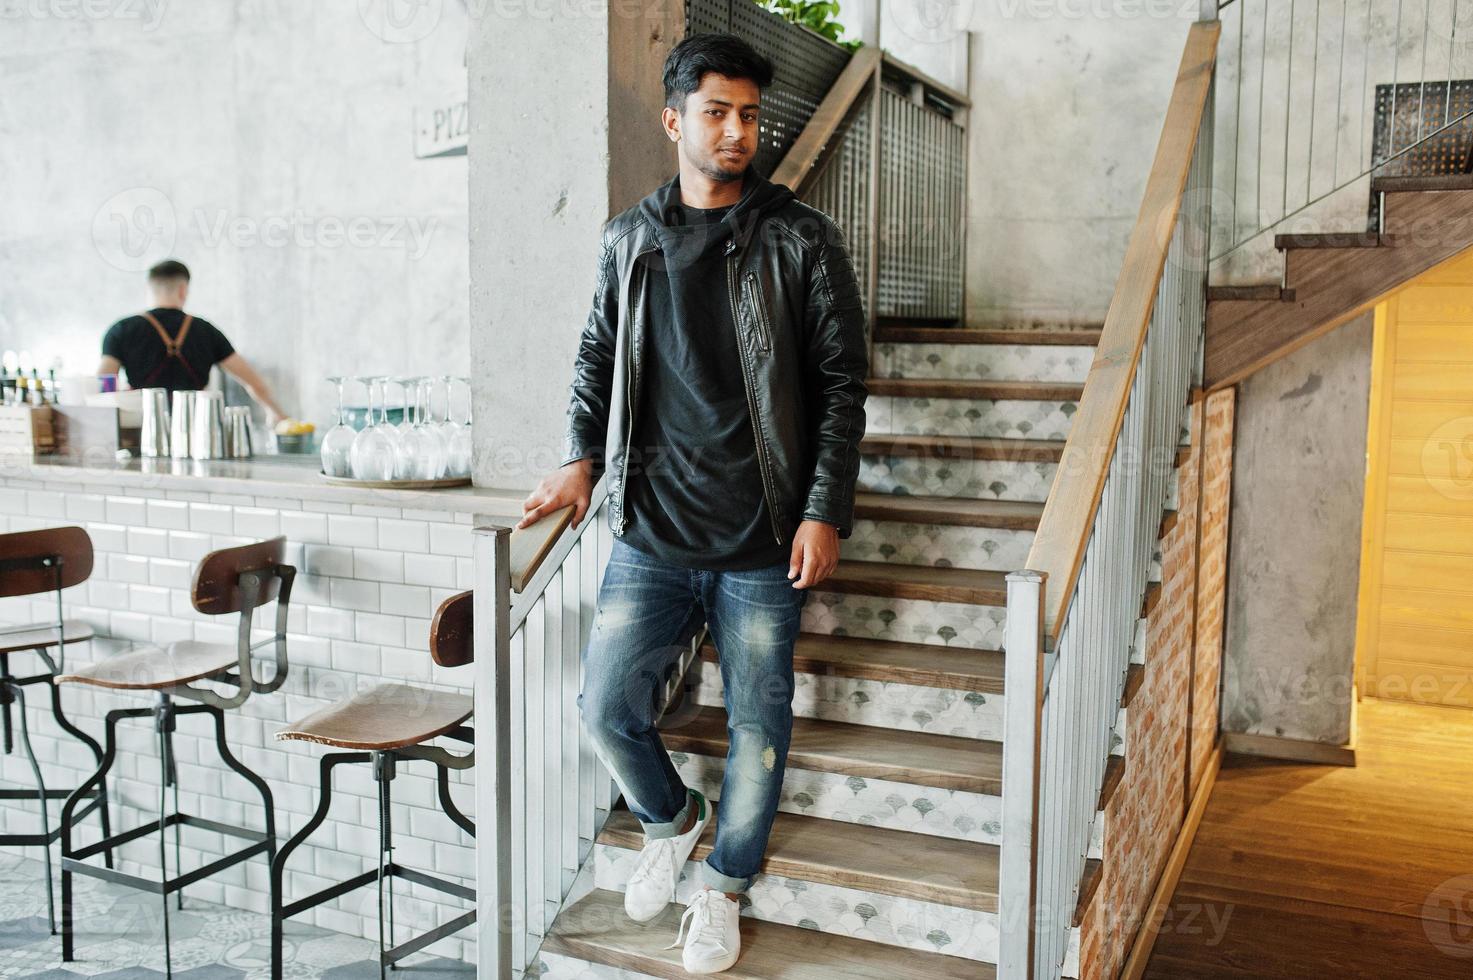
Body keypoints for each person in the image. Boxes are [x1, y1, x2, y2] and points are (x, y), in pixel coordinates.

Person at [516, 33, 868, 975]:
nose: (737, 131)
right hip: (653, 530)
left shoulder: (801, 240)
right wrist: (580, 458)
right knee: (603, 706)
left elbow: (839, 384)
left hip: (763, 537)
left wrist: (822, 508)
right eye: (717, 111)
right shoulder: (628, 239)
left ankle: (721, 885)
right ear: (675, 120)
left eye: (750, 115)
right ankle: (672, 818)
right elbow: (595, 358)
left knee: (759, 721)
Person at [98, 259, 287, 424]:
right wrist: (277, 414)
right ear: (183, 290)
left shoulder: (121, 330)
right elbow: (254, 383)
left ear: (150, 288)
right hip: (195, 430)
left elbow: (104, 382)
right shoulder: (206, 331)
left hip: (145, 428)